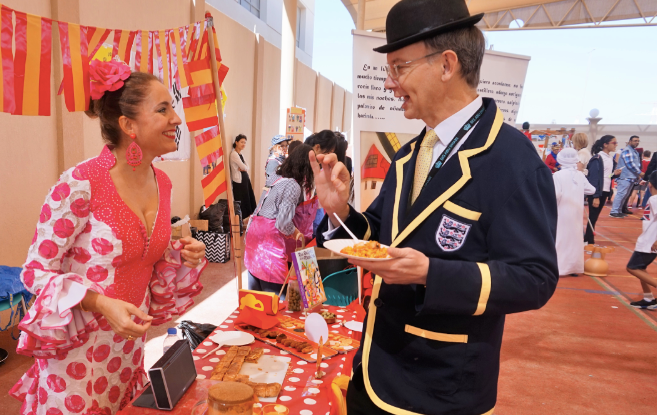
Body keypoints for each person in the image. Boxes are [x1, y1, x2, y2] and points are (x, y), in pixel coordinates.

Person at [312, 1, 559, 413]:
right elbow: (380, 236)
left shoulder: (513, 161)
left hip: (440, 389)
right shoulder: (412, 153)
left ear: (447, 65)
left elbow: (534, 278)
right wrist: (341, 211)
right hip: (374, 370)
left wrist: (431, 273)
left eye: (399, 67)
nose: (390, 84)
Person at [9, 60, 207, 414]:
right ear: (129, 125)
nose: (176, 119)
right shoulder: (81, 183)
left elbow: (141, 256)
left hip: (129, 349)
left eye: (172, 108)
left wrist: (178, 252)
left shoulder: (163, 182)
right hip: (78, 355)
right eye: (163, 109)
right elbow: (36, 273)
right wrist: (101, 303)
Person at [244, 144, 315, 296]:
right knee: (276, 299)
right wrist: (296, 233)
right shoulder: (293, 185)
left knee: (256, 298)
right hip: (269, 243)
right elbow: (282, 223)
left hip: (253, 237)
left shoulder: (276, 178)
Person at [553, 149, 596, 275]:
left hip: (562, 210)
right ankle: (574, 268)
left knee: (560, 238)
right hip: (576, 211)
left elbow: (555, 194)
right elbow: (592, 190)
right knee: (575, 239)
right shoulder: (580, 175)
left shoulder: (558, 175)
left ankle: (560, 267)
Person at [627, 171, 657, 309]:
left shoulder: (654, 199)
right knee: (641, 268)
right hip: (648, 240)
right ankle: (648, 298)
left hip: (650, 242)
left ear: (650, 184)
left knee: (632, 268)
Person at [584, 135, 621, 244]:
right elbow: (594, 177)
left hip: (604, 191)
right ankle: (589, 241)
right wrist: (595, 196)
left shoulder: (610, 158)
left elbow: (606, 176)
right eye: (614, 143)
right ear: (605, 144)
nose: (616, 145)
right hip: (597, 191)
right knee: (593, 217)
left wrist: (614, 174)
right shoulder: (598, 158)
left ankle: (588, 239)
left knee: (594, 217)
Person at [610, 135, 643, 218]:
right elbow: (630, 164)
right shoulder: (627, 151)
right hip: (625, 177)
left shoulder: (634, 151)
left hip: (631, 177)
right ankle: (614, 211)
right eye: (635, 140)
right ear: (630, 142)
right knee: (621, 194)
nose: (637, 142)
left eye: (638, 141)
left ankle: (619, 210)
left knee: (625, 195)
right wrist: (639, 173)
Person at [230, 134, 257, 219]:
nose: (243, 144)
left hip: (245, 179)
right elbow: (244, 167)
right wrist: (244, 168)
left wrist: (244, 168)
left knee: (248, 198)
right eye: (241, 142)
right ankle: (242, 219)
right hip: (239, 181)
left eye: (245, 142)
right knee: (241, 199)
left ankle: (247, 218)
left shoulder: (240, 154)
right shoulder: (234, 154)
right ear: (236, 142)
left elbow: (247, 167)